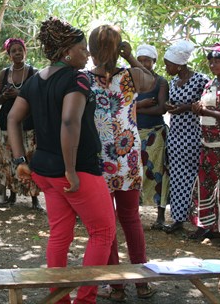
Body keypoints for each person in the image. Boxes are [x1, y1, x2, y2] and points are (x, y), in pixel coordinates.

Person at [7, 17, 116, 304]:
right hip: (75, 169)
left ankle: (59, 299)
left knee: (60, 233)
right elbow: (69, 121)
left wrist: (20, 159)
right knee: (103, 231)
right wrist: (71, 169)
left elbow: (11, 118)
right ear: (67, 51)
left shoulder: (34, 80)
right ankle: (84, 299)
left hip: (44, 169)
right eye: (83, 49)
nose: (87, 55)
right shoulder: (75, 77)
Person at [87, 25, 157, 301]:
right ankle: (142, 283)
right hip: (128, 157)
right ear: (120, 49)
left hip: (99, 159)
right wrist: (131, 57)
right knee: (130, 218)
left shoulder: (82, 79)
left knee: (106, 224)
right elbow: (152, 81)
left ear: (91, 51)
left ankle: (116, 287)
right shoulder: (132, 76)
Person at [189, 43, 220, 246]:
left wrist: (204, 112)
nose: (213, 64)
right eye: (211, 60)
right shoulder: (209, 84)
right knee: (206, 185)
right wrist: (197, 109)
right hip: (208, 143)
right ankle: (208, 227)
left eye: (218, 60)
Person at [162, 40, 210, 234]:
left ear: (179, 64)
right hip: (176, 135)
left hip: (193, 136)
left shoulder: (200, 79)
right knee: (177, 177)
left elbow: (207, 103)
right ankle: (179, 219)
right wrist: (169, 106)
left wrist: (185, 108)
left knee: (194, 178)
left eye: (168, 64)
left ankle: (200, 222)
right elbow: (171, 103)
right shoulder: (173, 82)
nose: (166, 68)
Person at [0, 38, 42, 210]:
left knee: (30, 157)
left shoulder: (33, 72)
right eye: (13, 51)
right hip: (6, 123)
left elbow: (38, 96)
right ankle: (12, 195)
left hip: (28, 123)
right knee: (9, 158)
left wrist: (19, 93)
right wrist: (5, 96)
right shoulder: (4, 73)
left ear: (25, 51)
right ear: (9, 55)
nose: (17, 53)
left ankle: (34, 198)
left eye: (20, 50)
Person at [135, 44, 170, 229]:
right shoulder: (132, 81)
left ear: (154, 62)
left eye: (147, 60)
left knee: (158, 174)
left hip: (155, 134)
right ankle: (132, 214)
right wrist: (141, 105)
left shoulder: (160, 82)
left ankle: (160, 216)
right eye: (140, 60)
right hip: (133, 133)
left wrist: (136, 106)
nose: (143, 64)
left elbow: (161, 108)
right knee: (134, 174)